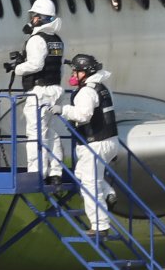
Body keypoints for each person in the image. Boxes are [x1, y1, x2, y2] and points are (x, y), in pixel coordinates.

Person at [56, 54, 119, 237]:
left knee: (90, 186)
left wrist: (63, 110)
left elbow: (83, 116)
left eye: (77, 70)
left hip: (95, 144)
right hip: (109, 142)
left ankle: (100, 226)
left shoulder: (86, 92)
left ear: (86, 72)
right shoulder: (102, 88)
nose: (74, 74)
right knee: (82, 176)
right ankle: (108, 193)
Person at [5, 0, 64, 185]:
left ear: (39, 18)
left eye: (34, 16)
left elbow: (36, 65)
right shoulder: (57, 40)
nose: (31, 19)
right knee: (51, 132)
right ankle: (56, 172)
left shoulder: (36, 40)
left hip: (39, 92)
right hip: (55, 89)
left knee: (35, 134)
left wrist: (18, 68)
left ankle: (37, 172)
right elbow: (59, 66)